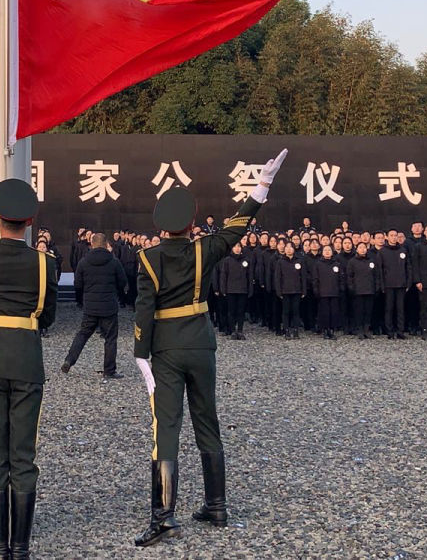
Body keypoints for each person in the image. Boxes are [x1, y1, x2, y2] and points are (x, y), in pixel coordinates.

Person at [132, 149, 286, 548]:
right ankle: (216, 505)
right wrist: (262, 185)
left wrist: (140, 352)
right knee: (207, 421)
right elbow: (238, 225)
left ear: (160, 225)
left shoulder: (147, 258)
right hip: (201, 343)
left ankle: (164, 516)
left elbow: (144, 309)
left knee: (166, 429)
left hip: (165, 347)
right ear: (193, 223)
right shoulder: (204, 249)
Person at [0, 179, 57, 560]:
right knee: (23, 453)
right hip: (26, 358)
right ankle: (21, 548)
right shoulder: (44, 263)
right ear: (31, 220)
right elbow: (47, 316)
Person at [61, 232, 126, 376]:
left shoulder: (83, 262)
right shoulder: (114, 262)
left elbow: (77, 284)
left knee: (83, 334)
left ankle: (69, 360)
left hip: (90, 306)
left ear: (92, 244)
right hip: (109, 306)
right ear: (105, 244)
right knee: (110, 339)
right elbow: (123, 282)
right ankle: (109, 370)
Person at [216, 242, 253, 340]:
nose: (237, 248)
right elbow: (223, 276)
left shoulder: (246, 260)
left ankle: (240, 330)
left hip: (243, 289)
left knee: (241, 311)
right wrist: (223, 289)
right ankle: (232, 330)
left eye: (239, 246)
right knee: (231, 311)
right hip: (230, 289)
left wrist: (250, 289)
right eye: (235, 247)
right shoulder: (227, 261)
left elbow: (249, 276)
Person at [380, 229, 411, 340]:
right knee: (389, 308)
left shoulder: (403, 250)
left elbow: (408, 267)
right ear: (387, 237)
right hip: (388, 284)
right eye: (391, 235)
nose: (394, 237)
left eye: (395, 235)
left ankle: (400, 330)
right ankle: (390, 331)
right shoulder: (383, 251)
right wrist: (382, 285)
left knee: (400, 308)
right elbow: (380, 269)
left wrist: (408, 282)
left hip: (401, 284)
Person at [346, 242, 381, 338]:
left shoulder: (371, 261)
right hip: (358, 291)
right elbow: (349, 276)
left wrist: (377, 287)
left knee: (368, 311)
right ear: (356, 249)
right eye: (360, 247)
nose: (362, 249)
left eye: (364, 247)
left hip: (370, 290)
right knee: (359, 311)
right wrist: (351, 288)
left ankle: (366, 329)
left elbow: (376, 275)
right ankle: (360, 330)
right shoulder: (352, 261)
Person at [311, 244, 343, 340]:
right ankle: (325, 330)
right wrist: (316, 290)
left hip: (334, 292)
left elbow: (341, 278)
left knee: (334, 312)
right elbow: (315, 279)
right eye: (325, 250)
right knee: (324, 312)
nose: (327, 252)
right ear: (322, 252)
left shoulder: (337, 264)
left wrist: (340, 288)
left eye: (329, 250)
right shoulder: (318, 264)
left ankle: (332, 330)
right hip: (323, 292)